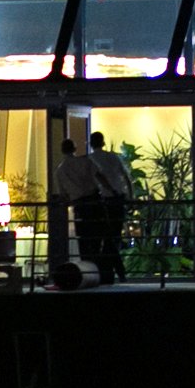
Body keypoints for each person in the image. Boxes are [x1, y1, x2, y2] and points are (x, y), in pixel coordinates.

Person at [69, 121, 134, 286]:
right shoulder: (113, 157)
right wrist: (129, 198)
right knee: (113, 238)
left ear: (90, 144)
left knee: (98, 241)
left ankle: (104, 273)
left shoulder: (88, 160)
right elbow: (126, 178)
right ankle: (116, 273)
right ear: (103, 142)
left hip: (98, 204)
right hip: (116, 201)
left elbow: (92, 180)